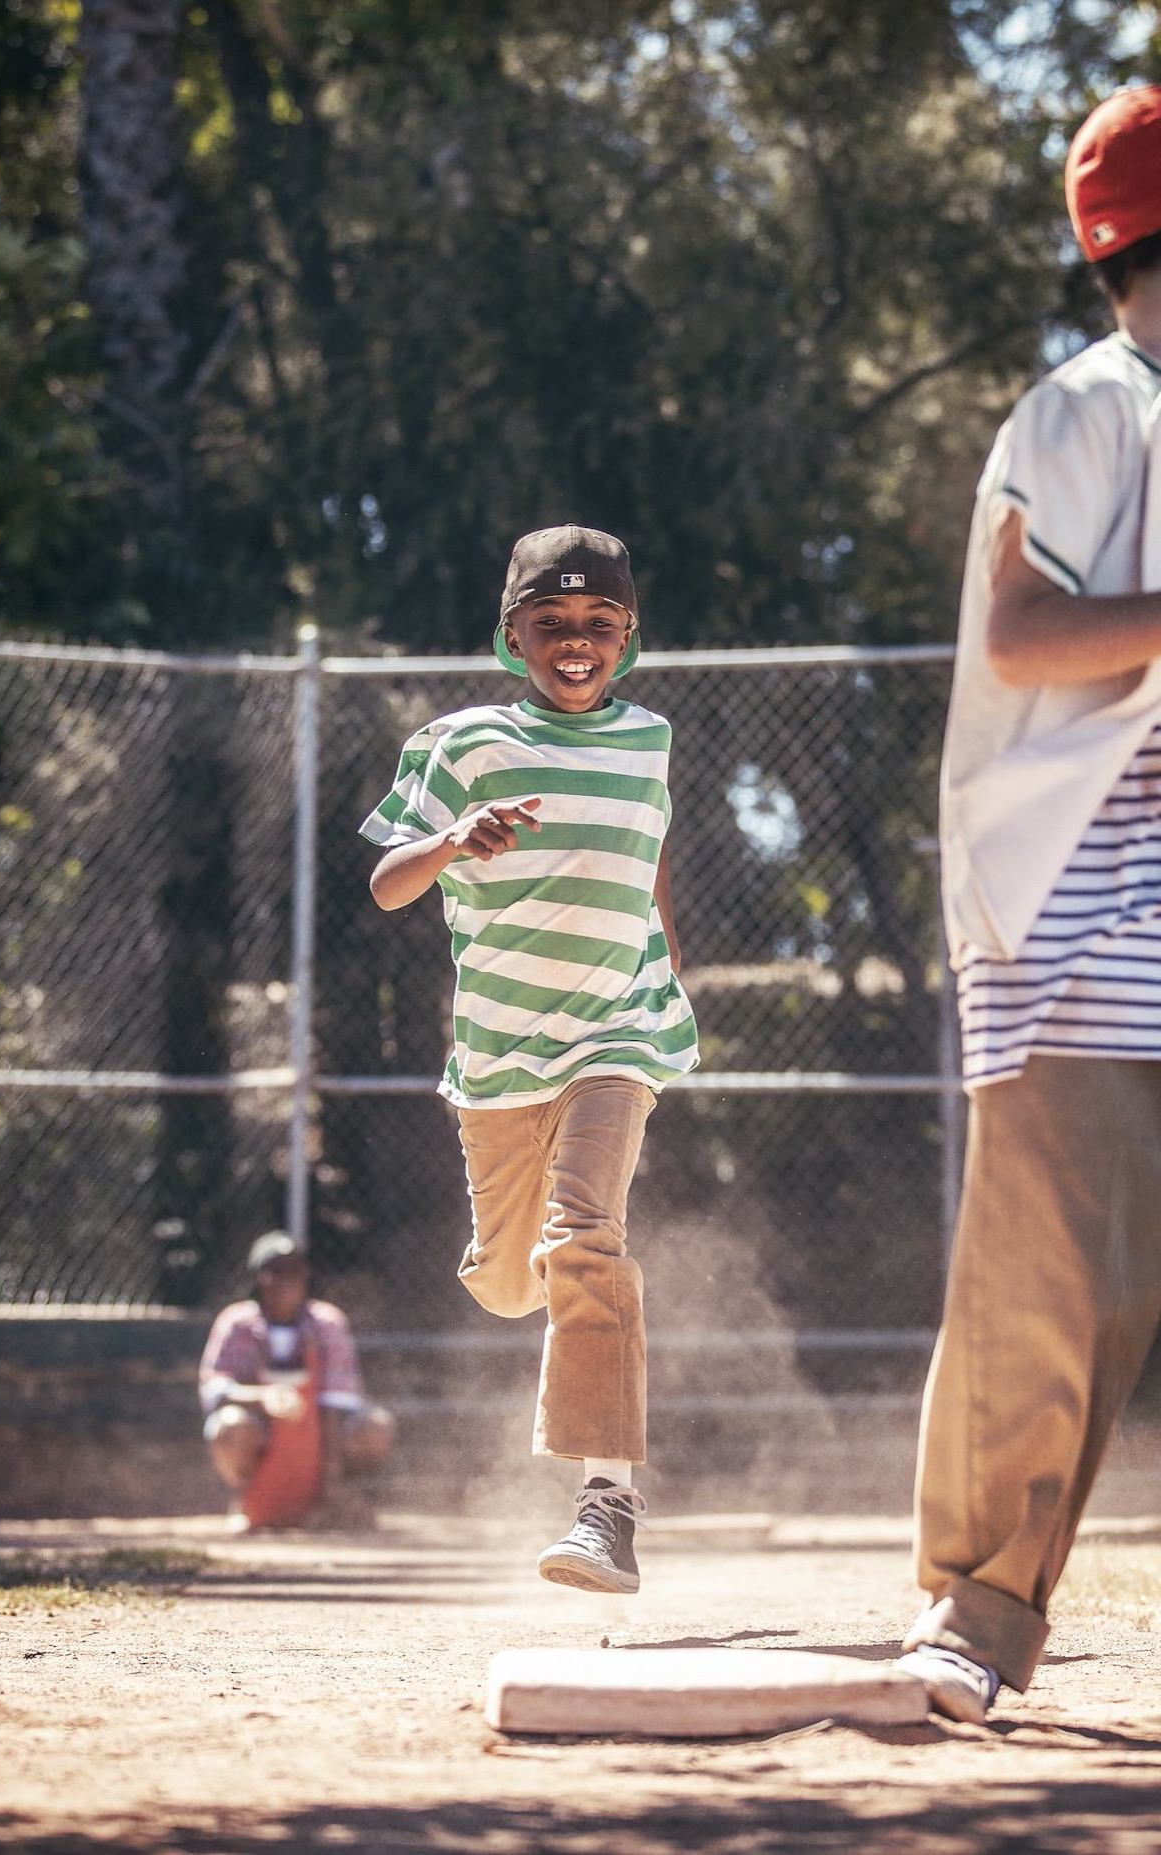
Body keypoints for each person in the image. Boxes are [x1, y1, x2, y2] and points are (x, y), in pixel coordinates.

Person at [897, 84, 1161, 1723]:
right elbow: (1018, 630)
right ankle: (976, 1609)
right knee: (1061, 1282)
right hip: (1084, 923)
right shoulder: (1090, 407)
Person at [360, 524, 698, 1593]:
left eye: (600, 621)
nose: (576, 640)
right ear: (513, 635)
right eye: (551, 622)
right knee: (515, 1284)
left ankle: (607, 1505)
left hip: (617, 1033)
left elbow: (649, 862)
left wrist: (669, 976)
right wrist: (454, 837)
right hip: (501, 1057)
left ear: (629, 635)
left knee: (587, 1237)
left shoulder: (650, 739)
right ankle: (544, 1283)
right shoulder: (462, 744)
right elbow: (387, 883)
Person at [199, 1229, 395, 1528]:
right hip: (262, 1432)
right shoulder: (237, 1322)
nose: (285, 1280)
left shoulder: (326, 1322)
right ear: (258, 1278)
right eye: (275, 1271)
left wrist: (327, 1489)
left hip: (320, 1433)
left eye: (294, 1271)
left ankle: (338, 1502)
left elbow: (336, 1403)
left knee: (374, 1427)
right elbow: (215, 1387)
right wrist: (263, 1397)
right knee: (230, 1426)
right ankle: (249, 1502)